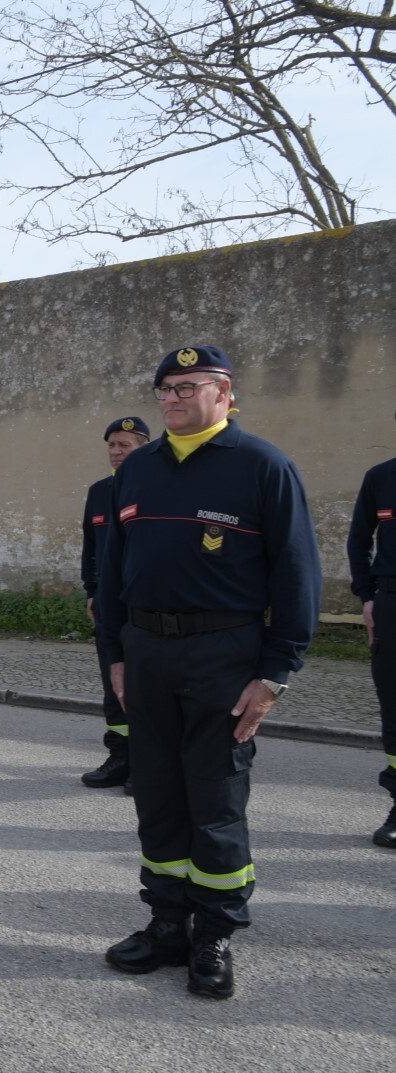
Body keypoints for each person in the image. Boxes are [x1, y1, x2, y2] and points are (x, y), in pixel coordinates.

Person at [96, 345, 320, 1001]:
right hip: (147, 653)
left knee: (216, 802)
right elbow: (113, 572)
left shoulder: (263, 467)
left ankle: (214, 932)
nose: (171, 397)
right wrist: (115, 654)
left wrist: (276, 672)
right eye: (164, 386)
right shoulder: (137, 470)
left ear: (224, 393)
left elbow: (297, 575)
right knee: (158, 795)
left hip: (225, 656)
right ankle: (168, 921)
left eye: (187, 386)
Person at [80, 417, 153, 790]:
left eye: (125, 445)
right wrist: (92, 590)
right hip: (110, 604)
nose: (116, 451)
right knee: (114, 682)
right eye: (112, 445)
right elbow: (91, 548)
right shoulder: (99, 491)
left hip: (148, 604)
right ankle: (120, 756)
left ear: (145, 447)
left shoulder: (157, 487)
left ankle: (149, 763)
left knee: (148, 684)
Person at [346, 417, 396, 849]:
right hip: (392, 602)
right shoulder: (381, 478)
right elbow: (359, 539)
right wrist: (367, 595)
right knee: (394, 704)